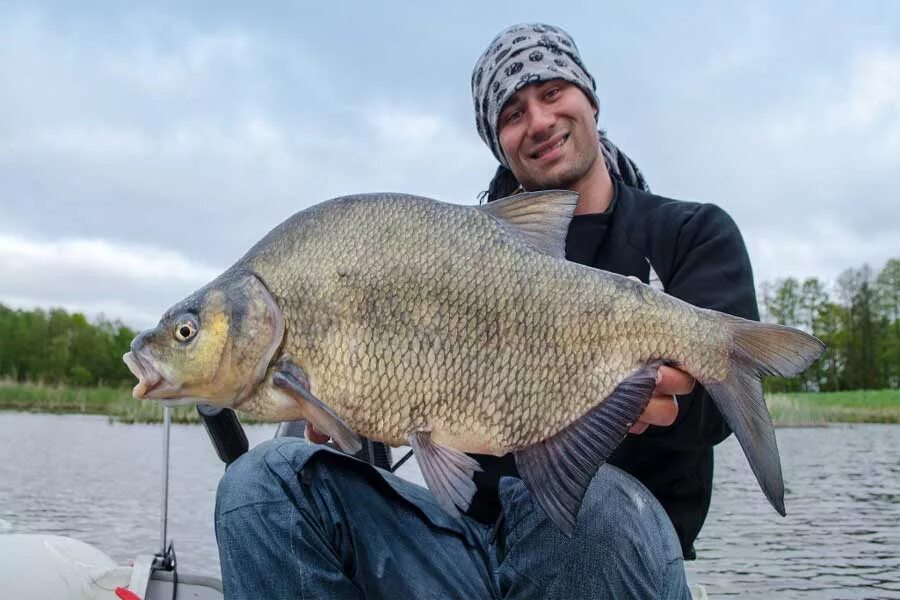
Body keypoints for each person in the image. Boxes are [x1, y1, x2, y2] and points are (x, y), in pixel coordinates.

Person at [215, 23, 759, 599]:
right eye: (512, 113)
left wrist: (660, 401)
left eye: (552, 93)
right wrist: (349, 415)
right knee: (260, 481)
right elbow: (414, 401)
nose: (539, 121)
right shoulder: (459, 254)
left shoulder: (691, 234)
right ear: (497, 139)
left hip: (624, 550)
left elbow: (714, 421)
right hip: (468, 548)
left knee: (596, 505)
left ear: (589, 99)